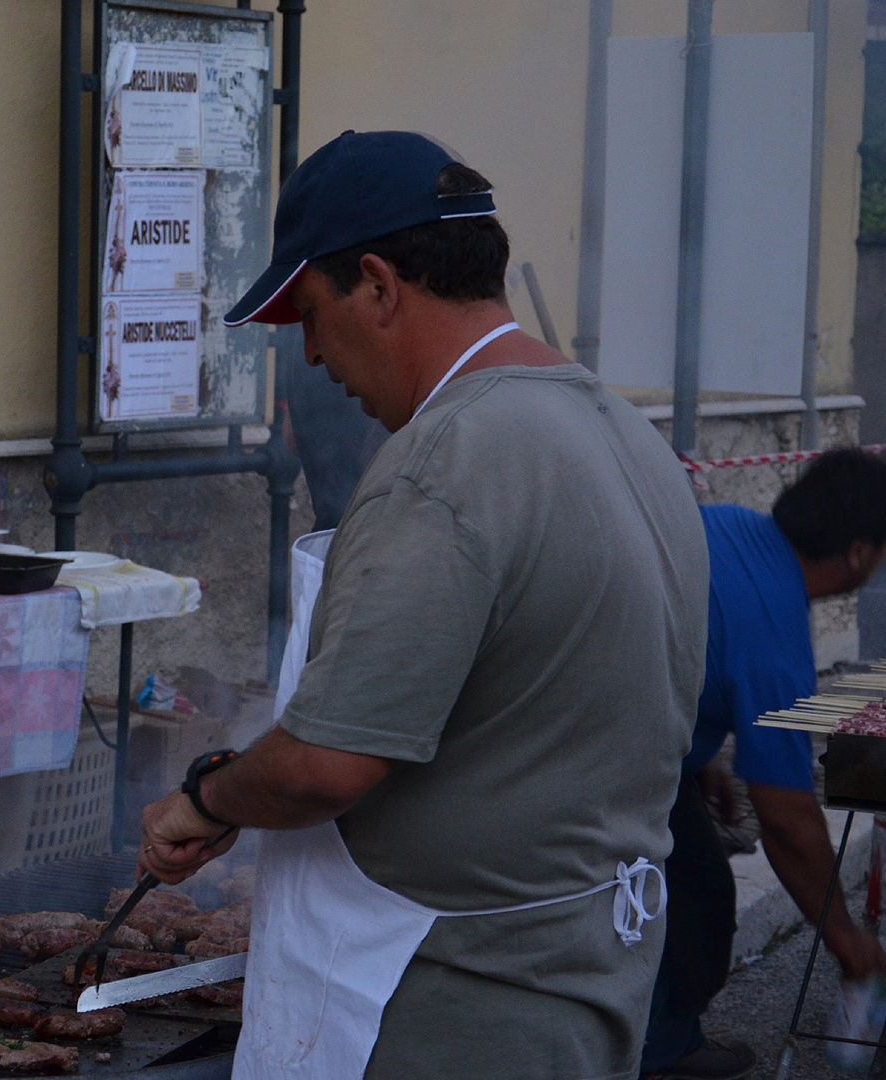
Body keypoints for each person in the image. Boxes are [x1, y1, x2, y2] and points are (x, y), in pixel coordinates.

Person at [137, 129, 710, 1080]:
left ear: (376, 283)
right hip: (584, 978)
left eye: (311, 314)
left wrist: (206, 798)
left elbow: (324, 764)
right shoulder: (616, 428)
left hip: (442, 1006)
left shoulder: (446, 460)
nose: (312, 355)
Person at [640, 449, 886, 1080]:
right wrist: (850, 945)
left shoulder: (723, 523)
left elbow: (677, 648)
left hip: (631, 739)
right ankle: (657, 1054)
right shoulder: (776, 645)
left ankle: (664, 1038)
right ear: (859, 553)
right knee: (699, 907)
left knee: (691, 889)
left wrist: (699, 757)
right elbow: (787, 821)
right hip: (608, 767)